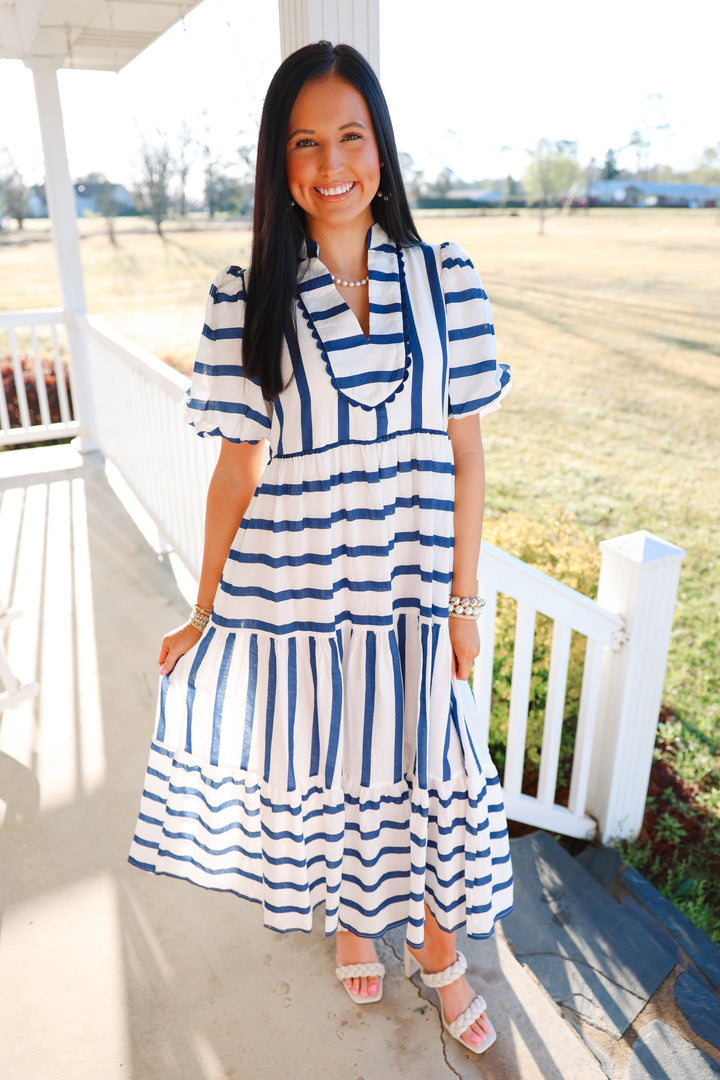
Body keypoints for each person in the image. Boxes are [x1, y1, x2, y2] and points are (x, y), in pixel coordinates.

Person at [129, 41, 513, 1054]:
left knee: (440, 773)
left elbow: (469, 453)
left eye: (351, 134)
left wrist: (467, 603)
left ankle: (438, 950)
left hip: (422, 599)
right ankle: (353, 916)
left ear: (381, 147)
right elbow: (235, 473)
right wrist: (207, 609)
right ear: (278, 161)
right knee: (345, 768)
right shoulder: (245, 296)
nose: (330, 161)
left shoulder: (447, 279)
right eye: (305, 141)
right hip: (305, 594)